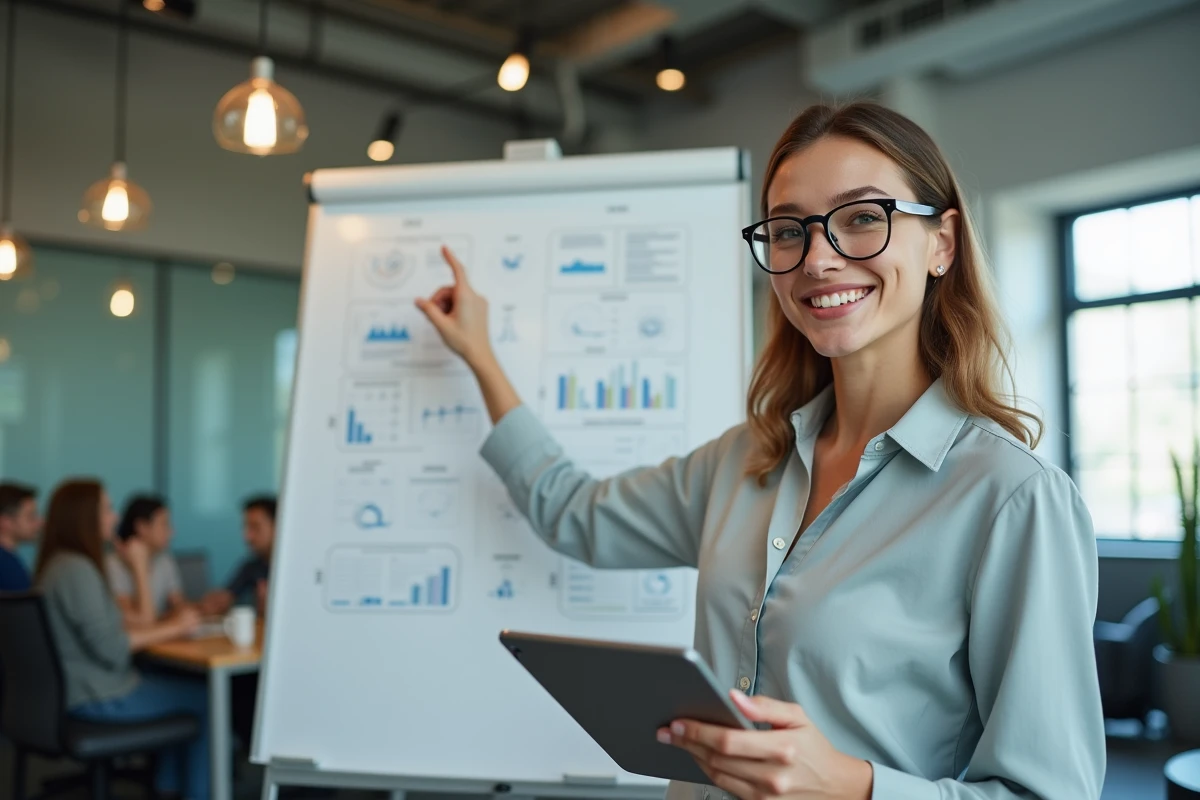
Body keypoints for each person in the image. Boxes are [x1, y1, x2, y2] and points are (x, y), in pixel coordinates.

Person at [415, 102, 1105, 800]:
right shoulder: (745, 462)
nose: (816, 257)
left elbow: (1051, 793)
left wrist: (852, 786)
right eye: (787, 230)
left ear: (942, 243)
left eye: (863, 217)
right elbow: (571, 513)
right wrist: (480, 356)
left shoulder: (1011, 498)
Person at [34, 479, 208, 800]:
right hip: (98, 696)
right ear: (84, 517)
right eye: (107, 509)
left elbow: (122, 628)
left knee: (173, 683)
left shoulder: (59, 566)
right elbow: (113, 649)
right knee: (208, 699)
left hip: (78, 691)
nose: (115, 518)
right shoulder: (77, 570)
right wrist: (176, 627)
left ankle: (167, 788)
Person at [107, 494, 190, 626]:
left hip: (160, 638)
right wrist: (140, 565)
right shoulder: (113, 565)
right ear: (142, 527)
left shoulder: (164, 559)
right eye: (164, 524)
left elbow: (180, 608)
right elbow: (140, 622)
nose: (171, 532)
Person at [199, 495, 276, 616]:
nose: (247, 536)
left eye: (255, 527)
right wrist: (214, 602)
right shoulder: (252, 566)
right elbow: (226, 596)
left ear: (278, 527)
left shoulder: (301, 567)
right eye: (246, 527)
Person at [0, 481, 40, 591]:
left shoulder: (10, 561)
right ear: (5, 522)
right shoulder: (7, 567)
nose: (39, 522)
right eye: (31, 516)